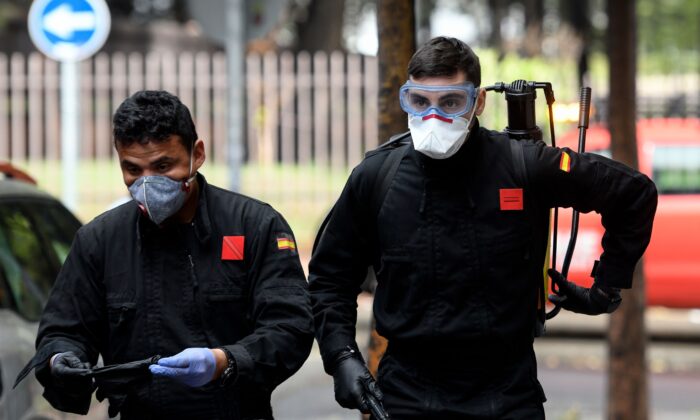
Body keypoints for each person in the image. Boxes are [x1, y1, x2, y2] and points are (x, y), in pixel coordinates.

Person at [308, 36, 657, 418]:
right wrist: (340, 354)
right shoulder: (377, 177)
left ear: (478, 102)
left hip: (507, 394)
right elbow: (330, 277)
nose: (433, 117)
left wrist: (605, 287)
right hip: (408, 393)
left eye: (451, 102)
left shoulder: (524, 166)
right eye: (419, 102)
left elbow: (633, 194)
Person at [15, 90, 314, 419]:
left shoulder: (255, 226)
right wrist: (61, 358)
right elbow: (63, 329)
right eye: (132, 170)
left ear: (196, 155)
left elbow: (290, 327)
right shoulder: (99, 240)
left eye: (163, 165)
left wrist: (224, 361)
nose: (147, 183)